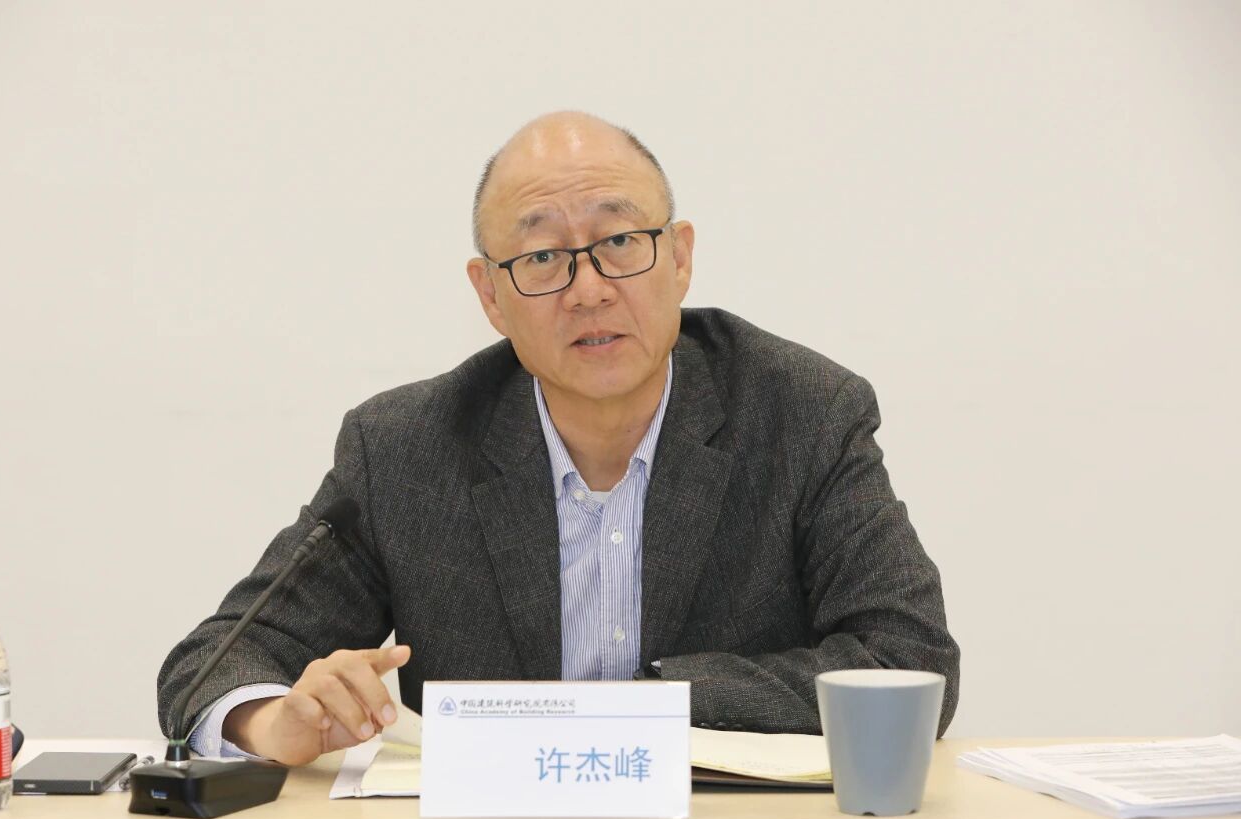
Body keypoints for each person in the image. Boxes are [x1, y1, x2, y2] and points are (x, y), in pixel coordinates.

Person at [157, 111, 960, 766]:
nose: (588, 289)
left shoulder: (803, 414)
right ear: (491, 296)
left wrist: (651, 705)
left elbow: (909, 660)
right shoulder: (405, 449)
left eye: (620, 243)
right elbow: (211, 664)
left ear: (679, 258)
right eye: (542, 256)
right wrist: (271, 721)